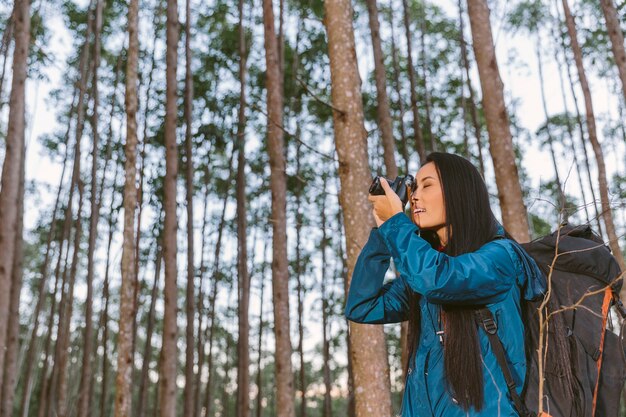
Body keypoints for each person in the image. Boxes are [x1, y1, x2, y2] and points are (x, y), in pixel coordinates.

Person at [345, 152, 546, 416]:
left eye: (427, 185)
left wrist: (396, 224)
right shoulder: (426, 274)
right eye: (414, 187)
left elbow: (441, 279)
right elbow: (363, 305)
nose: (414, 195)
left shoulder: (501, 257)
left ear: (459, 192)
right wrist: (384, 232)